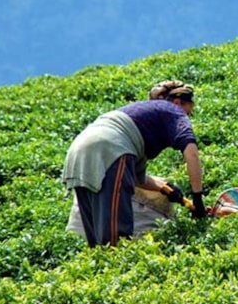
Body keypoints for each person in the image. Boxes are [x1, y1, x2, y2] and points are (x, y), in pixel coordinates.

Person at [62, 80, 207, 247]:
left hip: (78, 151)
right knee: (116, 240)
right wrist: (198, 199)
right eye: (188, 113)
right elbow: (192, 153)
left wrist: (165, 188)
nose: (187, 118)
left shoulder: (139, 118)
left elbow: (137, 179)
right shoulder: (174, 111)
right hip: (110, 149)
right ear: (178, 102)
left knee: (96, 239)